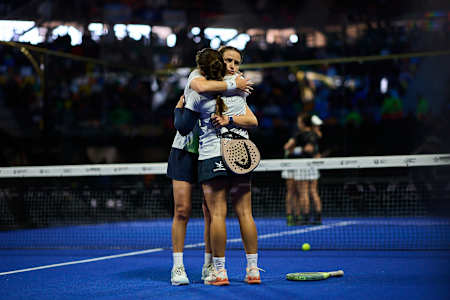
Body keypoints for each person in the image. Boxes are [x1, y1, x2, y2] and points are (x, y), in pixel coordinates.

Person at [167, 50, 254, 285]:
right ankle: (178, 267)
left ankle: (209, 265)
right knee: (182, 210)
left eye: (236, 63)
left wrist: (235, 87)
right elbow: (183, 125)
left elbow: (252, 119)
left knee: (210, 214)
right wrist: (234, 83)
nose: (232, 65)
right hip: (185, 152)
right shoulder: (198, 77)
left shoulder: (235, 86)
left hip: (211, 153)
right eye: (227, 61)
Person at [283, 113, 322, 225]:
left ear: (304, 123)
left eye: (299, 122)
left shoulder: (300, 135)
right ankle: (315, 217)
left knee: (304, 192)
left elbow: (288, 148)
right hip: (309, 164)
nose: (298, 123)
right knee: (312, 191)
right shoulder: (316, 134)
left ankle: (304, 217)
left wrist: (295, 150)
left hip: (303, 165)